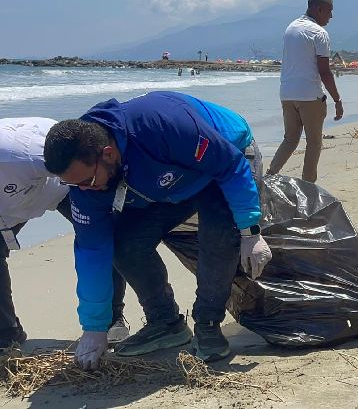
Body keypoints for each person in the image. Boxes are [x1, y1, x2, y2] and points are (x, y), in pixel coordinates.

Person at [43, 92, 271, 369]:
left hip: (226, 158)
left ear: (108, 154)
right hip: (168, 180)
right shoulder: (86, 181)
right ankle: (166, 323)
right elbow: (92, 251)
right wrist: (94, 327)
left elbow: (230, 166)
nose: (84, 191)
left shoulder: (163, 124)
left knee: (218, 235)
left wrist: (250, 231)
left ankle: (208, 325)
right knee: (125, 244)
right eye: (74, 185)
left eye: (87, 182)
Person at [1, 118, 129, 348]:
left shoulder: (18, 152)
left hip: (65, 185)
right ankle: (6, 334)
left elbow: (74, 158)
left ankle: (111, 321)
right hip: (11, 203)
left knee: (102, 238)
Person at [267, 0, 344, 182]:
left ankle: (269, 176)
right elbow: (324, 72)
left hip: (287, 93)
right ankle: (308, 187)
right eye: (329, 12)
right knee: (314, 143)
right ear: (319, 9)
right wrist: (337, 100)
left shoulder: (290, 28)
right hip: (310, 95)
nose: (331, 17)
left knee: (290, 139)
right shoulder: (319, 33)